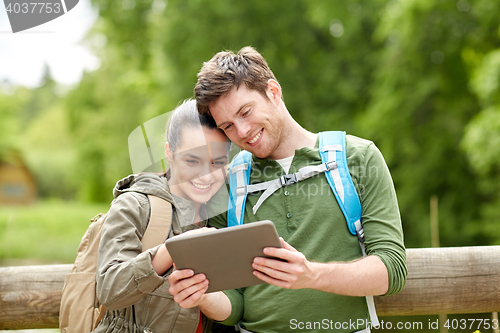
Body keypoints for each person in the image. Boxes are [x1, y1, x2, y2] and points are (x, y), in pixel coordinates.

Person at [167, 47, 407, 333]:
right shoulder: (229, 181)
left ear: (273, 91)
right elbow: (236, 304)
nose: (242, 132)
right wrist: (202, 294)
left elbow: (392, 270)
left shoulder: (358, 158)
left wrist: (311, 275)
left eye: (246, 112)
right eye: (228, 126)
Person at [94, 99, 230, 333]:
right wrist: (171, 250)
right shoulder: (135, 205)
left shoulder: (225, 214)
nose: (206, 177)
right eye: (192, 161)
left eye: (217, 163)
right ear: (169, 152)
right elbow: (109, 290)